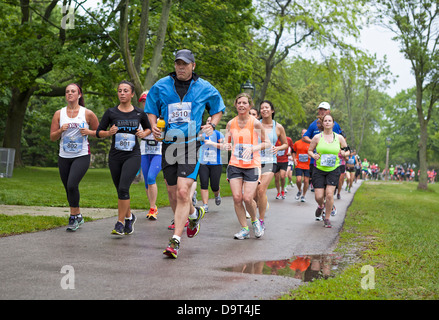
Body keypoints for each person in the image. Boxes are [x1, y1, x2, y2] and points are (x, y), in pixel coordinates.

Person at [145, 49, 225, 258]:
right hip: (169, 144)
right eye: (177, 63)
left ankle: (175, 241)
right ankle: (193, 213)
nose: (180, 67)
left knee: (183, 191)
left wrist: (212, 124)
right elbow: (151, 108)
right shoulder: (161, 86)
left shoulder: (204, 87)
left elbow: (217, 109)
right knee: (172, 193)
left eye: (185, 64)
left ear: (193, 66)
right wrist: (153, 126)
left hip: (191, 143)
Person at [96, 80, 151, 236]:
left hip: (132, 156)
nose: (122, 93)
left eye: (125, 91)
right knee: (120, 190)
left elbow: (148, 128)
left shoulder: (139, 113)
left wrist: (144, 133)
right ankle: (129, 217)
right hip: (115, 156)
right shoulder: (111, 112)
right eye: (120, 91)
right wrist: (108, 133)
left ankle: (119, 223)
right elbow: (99, 132)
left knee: (123, 188)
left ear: (132, 94)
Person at [50, 83, 99, 231]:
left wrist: (88, 132)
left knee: (72, 184)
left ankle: (73, 217)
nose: (70, 94)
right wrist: (60, 130)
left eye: (73, 91)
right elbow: (52, 137)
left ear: (79, 95)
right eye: (67, 92)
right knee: (69, 188)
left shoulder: (87, 113)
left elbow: (99, 131)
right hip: (64, 156)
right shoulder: (59, 114)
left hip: (82, 155)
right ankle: (77, 215)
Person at [224, 93, 269, 240]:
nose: (242, 105)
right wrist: (224, 145)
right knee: (237, 198)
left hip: (252, 164)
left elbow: (267, 143)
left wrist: (253, 148)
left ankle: (255, 221)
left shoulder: (255, 123)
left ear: (249, 106)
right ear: (236, 105)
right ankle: (244, 228)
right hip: (235, 164)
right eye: (239, 103)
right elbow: (228, 142)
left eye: (244, 103)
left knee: (248, 198)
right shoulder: (231, 123)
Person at [307, 114, 348, 228]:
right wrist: (313, 155)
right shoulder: (317, 137)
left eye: (330, 121)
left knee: (329, 195)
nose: (328, 122)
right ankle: (321, 206)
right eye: (325, 121)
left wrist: (344, 153)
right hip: (319, 169)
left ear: (333, 123)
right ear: (322, 123)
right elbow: (309, 151)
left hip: (333, 169)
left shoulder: (339, 138)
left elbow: (347, 150)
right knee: (319, 196)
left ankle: (327, 218)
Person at [256, 100, 288, 230]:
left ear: (272, 110)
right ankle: (262, 203)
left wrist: (278, 148)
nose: (264, 110)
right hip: (256, 161)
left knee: (261, 189)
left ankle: (261, 220)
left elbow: (286, 144)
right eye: (262, 108)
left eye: (266, 107)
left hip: (270, 160)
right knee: (252, 195)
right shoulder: (255, 125)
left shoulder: (278, 127)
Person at [303, 102, 342, 193]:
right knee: (319, 191)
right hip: (317, 159)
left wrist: (341, 151)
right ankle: (323, 203)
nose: (322, 111)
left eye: (324, 109)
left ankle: (328, 203)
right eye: (320, 109)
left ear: (329, 111)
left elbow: (342, 139)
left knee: (329, 191)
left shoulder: (334, 125)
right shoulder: (313, 124)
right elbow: (305, 137)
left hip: (333, 161)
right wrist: (315, 142)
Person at [138, 91, 162, 220]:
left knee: (152, 177)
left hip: (158, 151)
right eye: (142, 101)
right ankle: (152, 206)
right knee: (147, 181)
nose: (144, 103)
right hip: (144, 150)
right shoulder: (139, 116)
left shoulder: (160, 116)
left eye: (146, 100)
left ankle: (153, 209)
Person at [198, 116, 224, 213]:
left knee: (214, 186)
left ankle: (217, 195)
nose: (209, 123)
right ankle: (205, 205)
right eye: (207, 121)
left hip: (216, 163)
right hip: (203, 162)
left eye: (211, 121)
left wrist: (212, 143)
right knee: (204, 183)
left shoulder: (218, 134)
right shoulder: (201, 134)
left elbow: (224, 146)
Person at [292, 129, 311, 202]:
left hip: (307, 165)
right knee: (298, 179)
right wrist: (294, 159)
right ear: (301, 134)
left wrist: (311, 155)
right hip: (299, 164)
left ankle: (303, 195)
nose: (304, 135)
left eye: (305, 133)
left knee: (306, 181)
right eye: (303, 133)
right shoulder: (297, 143)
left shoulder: (310, 143)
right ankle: (299, 190)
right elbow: (293, 152)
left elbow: (314, 151)